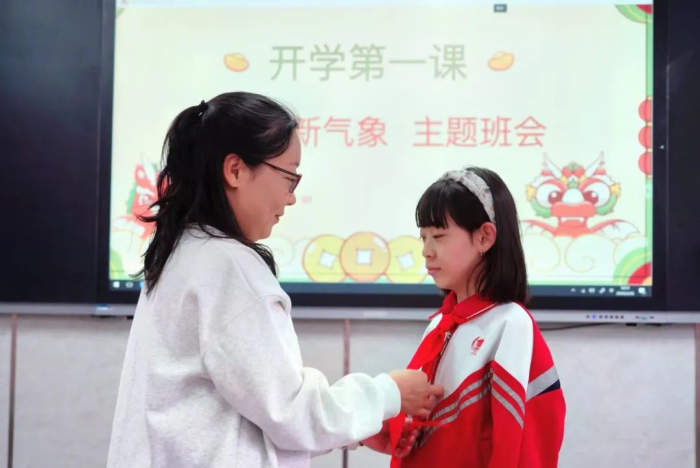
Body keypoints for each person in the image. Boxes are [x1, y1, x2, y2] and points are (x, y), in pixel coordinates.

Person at [106, 92, 443, 468]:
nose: (291, 197)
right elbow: (291, 414)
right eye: (289, 177)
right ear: (235, 170)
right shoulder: (228, 266)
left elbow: (250, 411)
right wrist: (388, 394)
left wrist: (357, 428)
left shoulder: (184, 252)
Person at [363, 166, 566, 468]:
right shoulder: (440, 324)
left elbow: (517, 442)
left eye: (439, 236)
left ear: (484, 237)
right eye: (423, 237)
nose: (427, 251)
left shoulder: (510, 324)